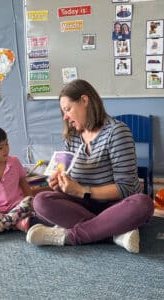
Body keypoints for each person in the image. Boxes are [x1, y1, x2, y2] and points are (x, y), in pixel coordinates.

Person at [26, 79, 154, 253]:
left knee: (143, 204)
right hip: (84, 205)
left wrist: (82, 190)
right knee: (41, 201)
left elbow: (126, 188)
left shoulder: (117, 132)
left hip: (115, 206)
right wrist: (60, 184)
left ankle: (69, 237)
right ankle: (114, 234)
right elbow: (69, 180)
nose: (65, 117)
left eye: (68, 109)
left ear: (85, 101)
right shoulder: (72, 137)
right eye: (63, 112)